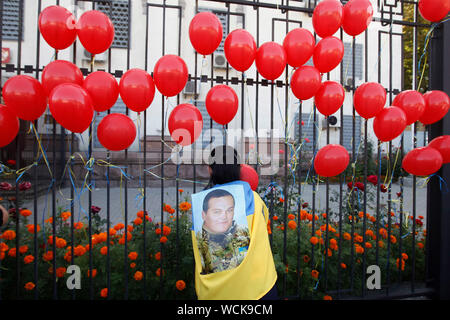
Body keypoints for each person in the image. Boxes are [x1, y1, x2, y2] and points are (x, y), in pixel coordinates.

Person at [191, 145, 278, 300]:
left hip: (216, 293)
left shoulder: (200, 208)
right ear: (240, 169)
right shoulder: (255, 200)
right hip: (259, 288)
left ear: (210, 170)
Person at [197, 188, 250, 274]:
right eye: (217, 212)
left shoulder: (243, 232)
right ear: (204, 215)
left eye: (229, 210)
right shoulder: (199, 241)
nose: (224, 217)